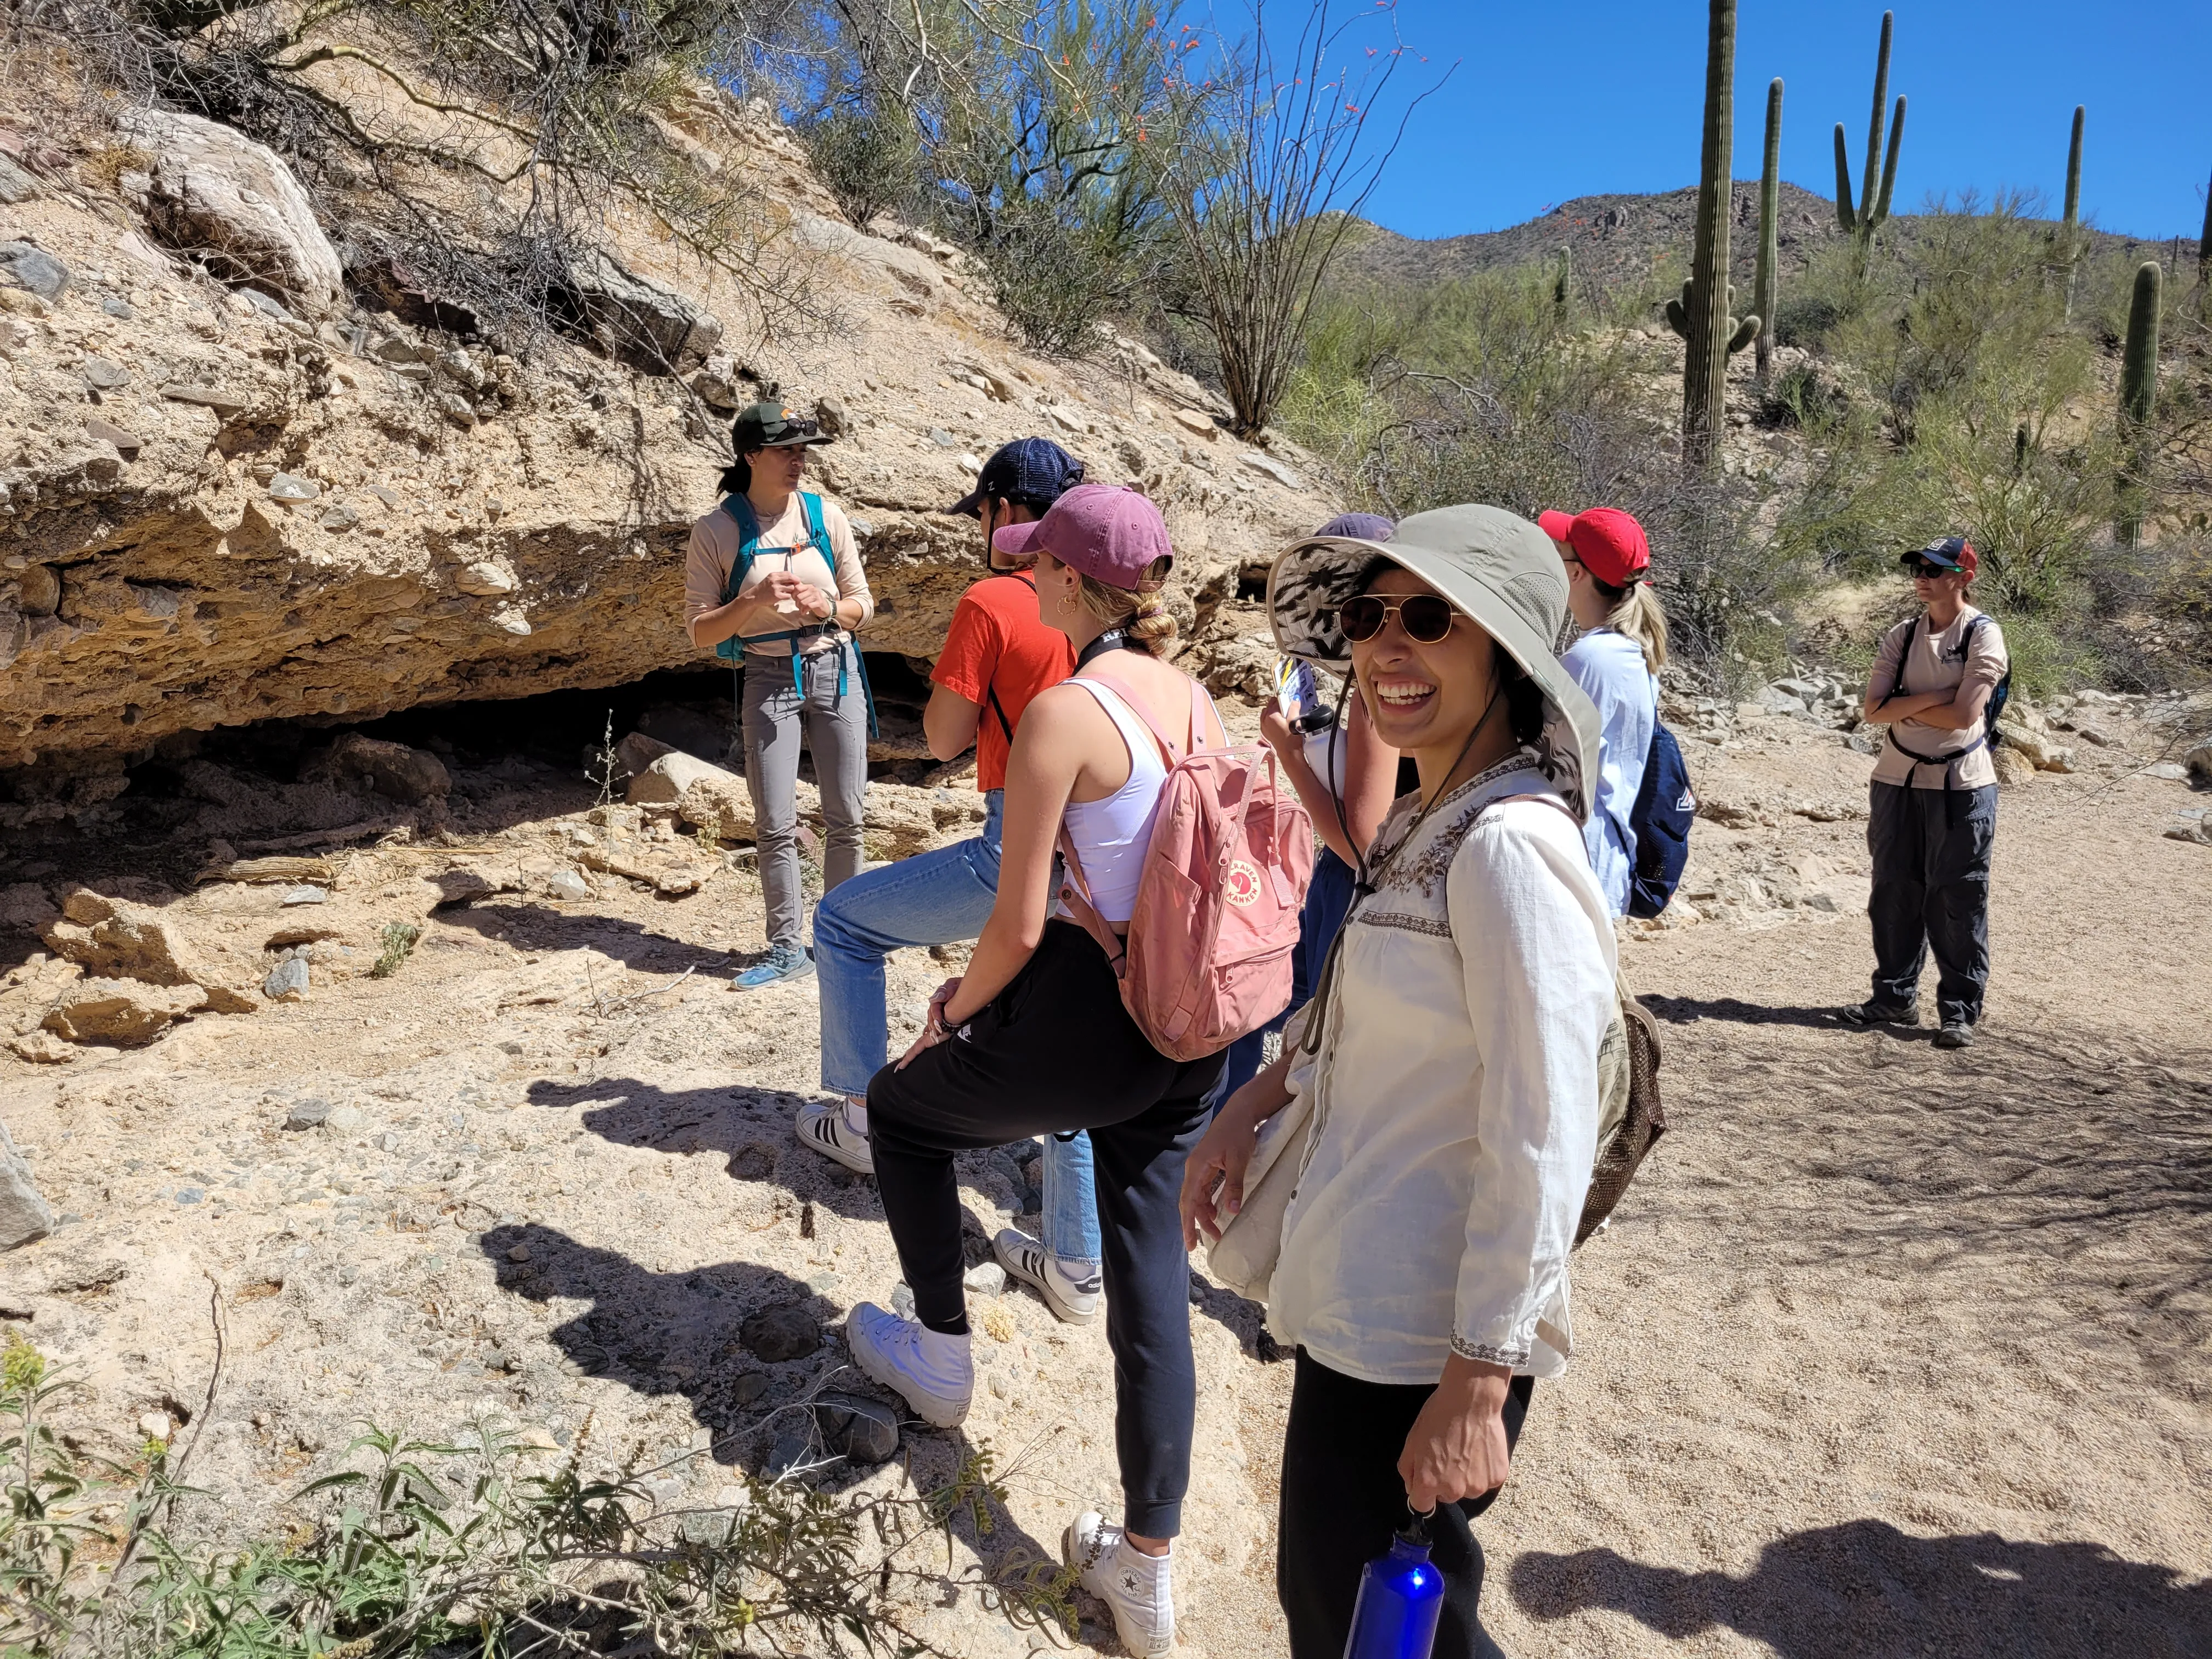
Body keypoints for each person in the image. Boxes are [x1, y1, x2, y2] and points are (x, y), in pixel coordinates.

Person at [1181, 506, 1615, 1659]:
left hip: (1426, 1331)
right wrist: (1257, 1098)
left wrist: (1479, 1378)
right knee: (1346, 1609)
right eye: (1369, 617)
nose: (1386, 647)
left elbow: (1546, 1125)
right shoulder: (1432, 817)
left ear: (1507, 651)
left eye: (1430, 618)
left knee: (1372, 1621)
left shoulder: (1511, 847)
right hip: (1370, 1301)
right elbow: (1365, 1012)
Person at [845, 484, 1228, 1659]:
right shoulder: (1194, 699)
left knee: (903, 1117)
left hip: (1090, 1025)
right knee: (1147, 1272)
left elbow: (1015, 927)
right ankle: (1145, 1569)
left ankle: (942, 1359)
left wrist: (947, 1015)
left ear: (1065, 582)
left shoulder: (1068, 710)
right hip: (1192, 1032)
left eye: (1039, 572)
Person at [798, 438, 1107, 1324]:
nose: (979, 526)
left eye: (981, 510)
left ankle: (860, 1116)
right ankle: (1078, 1264)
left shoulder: (992, 598)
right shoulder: (1102, 619)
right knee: (1065, 1040)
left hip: (1017, 846)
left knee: (846, 922)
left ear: (1009, 513)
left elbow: (940, 737)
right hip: (1095, 866)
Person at [1213, 513, 1406, 1105]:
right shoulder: (1400, 681)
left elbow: (1361, 846)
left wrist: (1290, 752)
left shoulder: (1378, 694)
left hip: (1355, 892)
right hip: (1357, 890)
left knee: (1303, 1035)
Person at [684, 400, 874, 989]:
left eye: (803, 450)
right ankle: (786, 948)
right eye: (786, 450)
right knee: (775, 822)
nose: (799, 461)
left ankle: (841, 942)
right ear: (750, 456)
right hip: (768, 679)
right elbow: (699, 633)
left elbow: (862, 606)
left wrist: (831, 609)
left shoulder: (826, 516)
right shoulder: (715, 531)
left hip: (835, 669)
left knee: (847, 817)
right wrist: (752, 600)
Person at [1843, 534, 2008, 1049]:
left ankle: (1958, 1011)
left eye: (1934, 570)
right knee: (1893, 888)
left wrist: (1908, 702)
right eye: (1918, 568)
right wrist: (1939, 695)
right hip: (1896, 777)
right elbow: (1872, 710)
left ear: (1963, 578)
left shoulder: (1984, 635)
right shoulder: (1902, 634)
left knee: (1957, 895)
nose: (1923, 577)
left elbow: (1965, 718)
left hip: (1962, 785)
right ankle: (1894, 996)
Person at [1539, 506, 1668, 920]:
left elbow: (1555, 764)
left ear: (1576, 573)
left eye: (1558, 553)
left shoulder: (1591, 660)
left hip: (1576, 858)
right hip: (1598, 856)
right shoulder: (1625, 650)